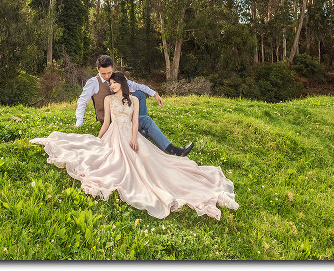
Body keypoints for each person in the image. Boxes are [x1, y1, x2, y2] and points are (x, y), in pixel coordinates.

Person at [30, 72, 239, 220]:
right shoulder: (109, 100)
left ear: (121, 82)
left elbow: (136, 122)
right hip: (114, 135)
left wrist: (133, 137)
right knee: (117, 162)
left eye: (113, 82)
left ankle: (171, 154)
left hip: (130, 133)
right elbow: (105, 122)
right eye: (109, 82)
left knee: (149, 160)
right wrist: (98, 138)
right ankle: (166, 151)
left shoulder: (134, 100)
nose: (110, 85)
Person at [75, 55, 193, 156]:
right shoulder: (93, 82)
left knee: (140, 94)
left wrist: (155, 93)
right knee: (146, 120)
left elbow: (137, 86)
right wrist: (79, 122)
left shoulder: (117, 78)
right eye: (103, 73)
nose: (107, 76)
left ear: (112, 69)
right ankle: (172, 149)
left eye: (109, 73)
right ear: (98, 69)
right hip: (111, 120)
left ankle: (140, 130)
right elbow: (82, 101)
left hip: (124, 114)